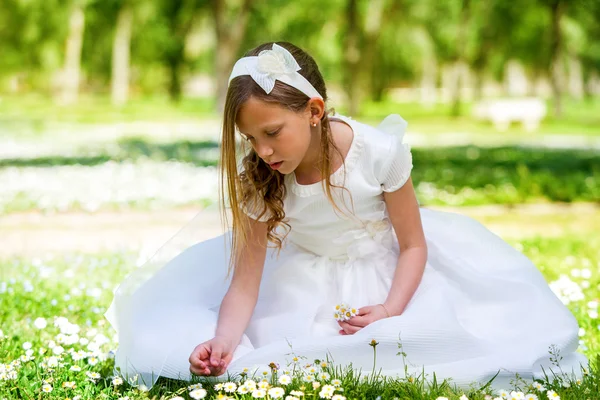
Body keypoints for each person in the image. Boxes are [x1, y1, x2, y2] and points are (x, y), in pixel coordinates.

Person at [104, 41, 587, 390]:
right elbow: (246, 283)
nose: (263, 150)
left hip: (392, 270)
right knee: (286, 354)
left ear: (314, 110)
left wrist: (391, 309)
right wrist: (226, 340)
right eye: (251, 139)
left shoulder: (377, 152)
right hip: (304, 274)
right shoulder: (260, 180)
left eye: (273, 132)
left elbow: (414, 243)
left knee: (424, 344)